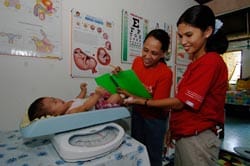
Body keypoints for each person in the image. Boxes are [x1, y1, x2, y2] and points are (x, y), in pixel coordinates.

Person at [122, 5, 229, 166]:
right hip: (185, 133)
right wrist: (173, 128)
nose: (183, 42)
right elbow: (184, 103)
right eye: (180, 36)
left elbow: (180, 102)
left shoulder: (210, 62)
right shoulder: (196, 63)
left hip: (197, 136)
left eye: (189, 35)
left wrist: (140, 100)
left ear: (207, 32)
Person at [113, 29, 173, 166]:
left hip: (155, 120)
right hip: (138, 113)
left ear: (163, 54)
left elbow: (159, 104)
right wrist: (121, 76)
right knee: (137, 150)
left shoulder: (165, 73)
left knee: (152, 156)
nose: (147, 56)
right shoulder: (137, 62)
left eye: (154, 53)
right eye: (145, 50)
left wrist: (133, 97)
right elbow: (133, 84)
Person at [28, 83, 123, 121]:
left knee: (106, 92)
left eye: (54, 98)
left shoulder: (68, 104)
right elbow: (85, 107)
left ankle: (123, 95)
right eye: (55, 102)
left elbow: (78, 99)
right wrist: (97, 95)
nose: (57, 99)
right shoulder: (71, 112)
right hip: (97, 107)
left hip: (94, 100)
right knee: (115, 96)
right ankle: (124, 99)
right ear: (54, 115)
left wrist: (83, 91)